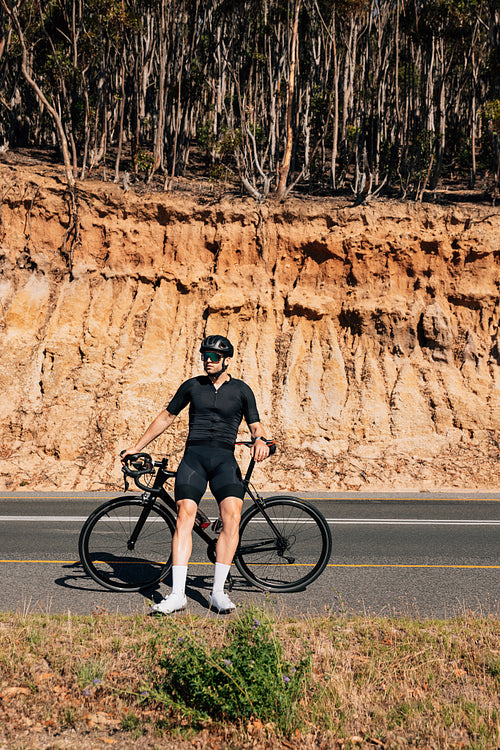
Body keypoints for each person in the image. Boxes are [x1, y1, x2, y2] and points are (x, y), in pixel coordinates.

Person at [121, 334, 270, 614]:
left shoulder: (241, 390)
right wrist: (137, 446)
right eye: (205, 355)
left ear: (227, 361)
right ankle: (177, 595)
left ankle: (216, 593)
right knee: (184, 517)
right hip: (194, 459)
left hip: (224, 460)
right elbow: (166, 417)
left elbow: (255, 426)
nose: (208, 361)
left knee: (232, 517)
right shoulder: (192, 386)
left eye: (214, 357)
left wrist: (261, 441)